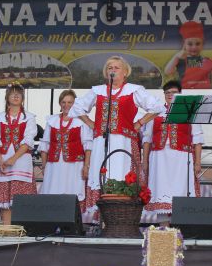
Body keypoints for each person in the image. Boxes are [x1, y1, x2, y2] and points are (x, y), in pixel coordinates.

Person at [70, 56, 165, 220]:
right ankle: (102, 219)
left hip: (123, 142)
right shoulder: (98, 91)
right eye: (109, 68)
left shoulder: (134, 90)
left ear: (125, 72)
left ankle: (121, 218)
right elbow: (77, 107)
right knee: (101, 174)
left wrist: (140, 123)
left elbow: (157, 106)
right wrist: (91, 123)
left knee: (121, 173)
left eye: (116, 68)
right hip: (102, 141)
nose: (112, 70)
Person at [141, 81, 203, 219]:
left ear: (180, 94)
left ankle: (180, 226)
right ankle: (163, 226)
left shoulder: (189, 111)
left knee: (181, 189)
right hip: (159, 157)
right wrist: (144, 161)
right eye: (167, 92)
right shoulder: (155, 112)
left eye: (174, 92)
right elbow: (147, 138)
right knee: (160, 189)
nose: (170, 95)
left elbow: (197, 138)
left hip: (181, 157)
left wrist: (198, 162)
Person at [0, 84, 38, 224]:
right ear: (7, 97)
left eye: (19, 94)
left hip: (21, 162)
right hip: (2, 160)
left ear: (22, 98)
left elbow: (28, 140)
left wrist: (13, 158)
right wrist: (0, 160)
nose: (16, 96)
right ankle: (7, 229)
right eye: (12, 93)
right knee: (5, 200)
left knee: (20, 199)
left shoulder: (29, 117)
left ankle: (21, 228)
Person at [39, 90, 93, 215]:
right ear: (60, 103)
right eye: (63, 102)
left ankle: (71, 221)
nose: (66, 105)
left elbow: (88, 145)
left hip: (75, 165)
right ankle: (53, 220)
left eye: (70, 102)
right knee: (53, 192)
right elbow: (45, 145)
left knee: (72, 192)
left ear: (74, 104)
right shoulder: (51, 121)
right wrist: (44, 165)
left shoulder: (81, 121)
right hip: (54, 165)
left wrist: (86, 166)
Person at [163, 21, 212, 89]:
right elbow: (167, 72)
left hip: (203, 91)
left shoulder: (208, 61)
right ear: (184, 44)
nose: (194, 47)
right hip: (185, 91)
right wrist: (176, 57)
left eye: (198, 44)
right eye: (190, 44)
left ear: (202, 45)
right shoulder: (181, 60)